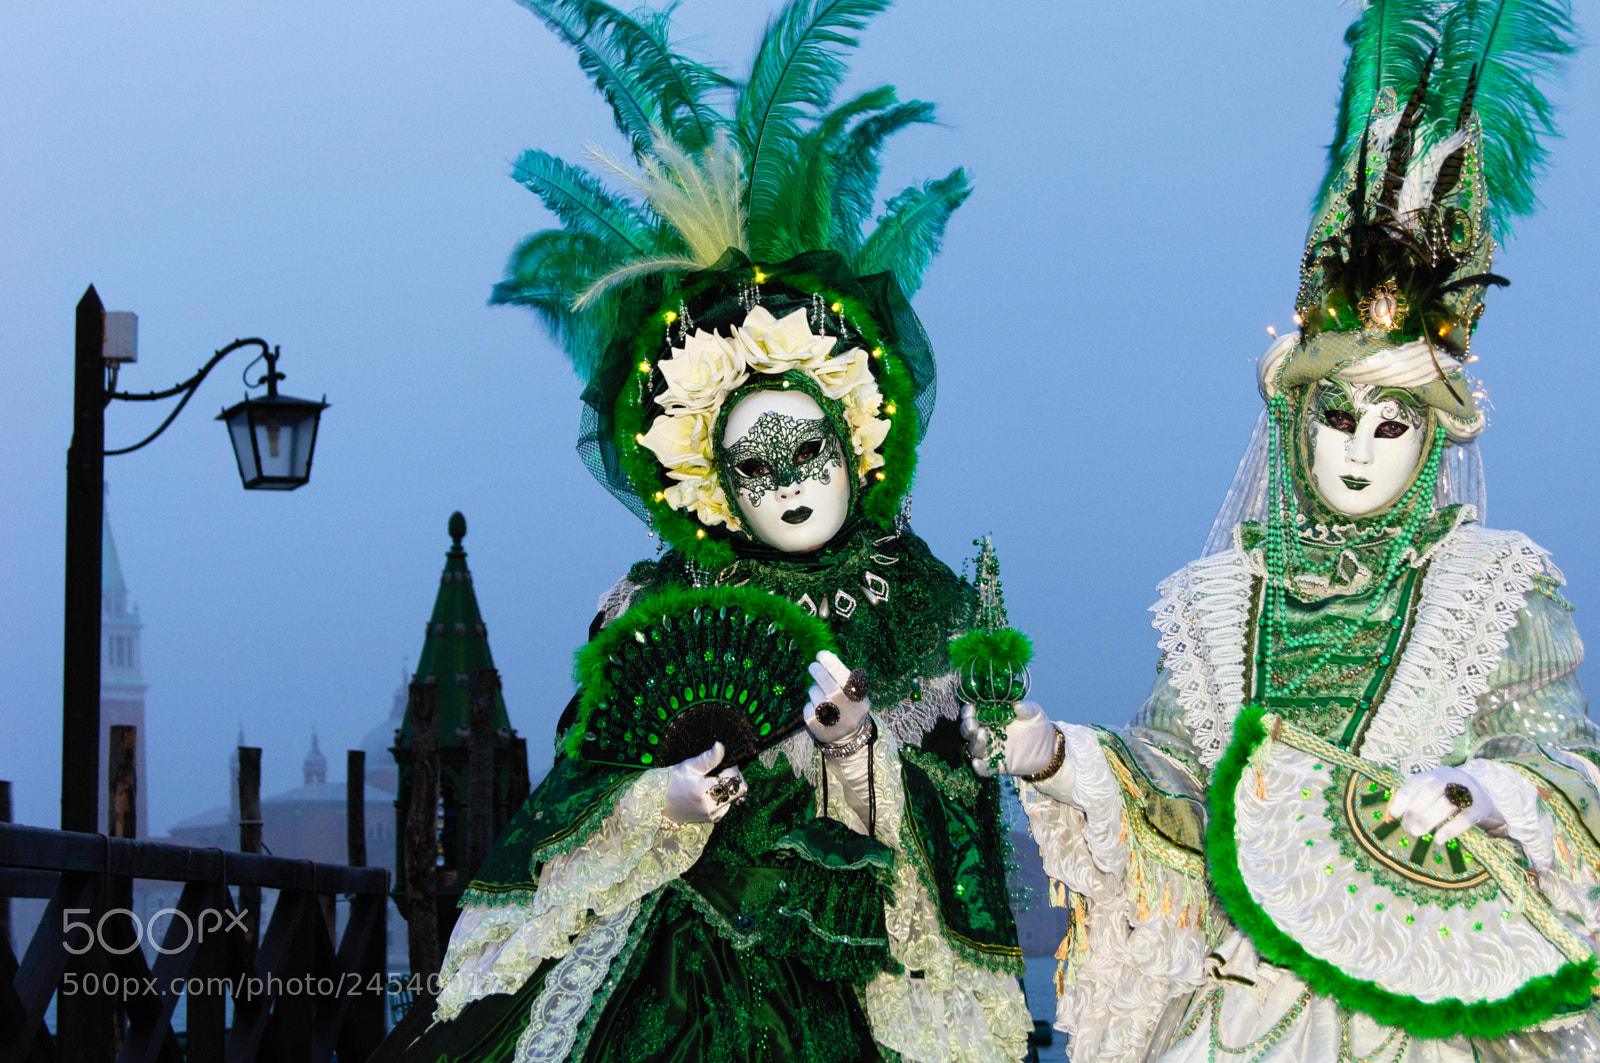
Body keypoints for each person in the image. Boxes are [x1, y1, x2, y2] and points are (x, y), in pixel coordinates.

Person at [386, 2, 1035, 1060]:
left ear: (853, 443)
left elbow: (967, 824)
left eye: (806, 454)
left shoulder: (923, 606)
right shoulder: (655, 605)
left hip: (850, 989)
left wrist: (854, 756)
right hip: (666, 974)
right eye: (754, 466)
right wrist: (665, 799)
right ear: (711, 481)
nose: (785, 486)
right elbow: (574, 792)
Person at [965, 2, 1600, 1060]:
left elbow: (1565, 760)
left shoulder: (1492, 586)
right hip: (1249, 1003)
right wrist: (1057, 755)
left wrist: (1485, 787)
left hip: (1426, 999)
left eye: (1392, 424)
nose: (1358, 449)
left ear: (1431, 439)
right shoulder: (1223, 602)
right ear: (1294, 424)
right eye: (1335, 417)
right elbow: (1176, 786)